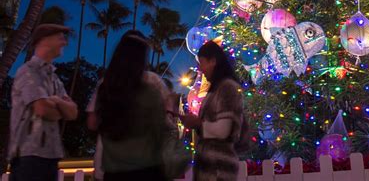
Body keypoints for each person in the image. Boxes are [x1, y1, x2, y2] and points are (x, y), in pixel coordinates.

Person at [87, 30, 187, 180]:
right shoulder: (151, 87)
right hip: (147, 169)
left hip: (112, 169)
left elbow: (92, 123)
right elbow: (163, 127)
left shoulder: (105, 87)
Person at [8, 23, 78, 181]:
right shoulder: (28, 71)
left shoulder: (53, 77)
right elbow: (43, 109)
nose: (64, 42)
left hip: (50, 155)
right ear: (45, 40)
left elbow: (73, 113)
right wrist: (60, 105)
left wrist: (54, 101)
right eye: (60, 38)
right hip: (28, 156)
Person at [180, 41, 244, 181]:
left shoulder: (228, 88)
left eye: (202, 63)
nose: (201, 70)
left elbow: (224, 130)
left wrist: (198, 124)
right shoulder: (215, 90)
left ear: (213, 61)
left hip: (218, 170)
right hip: (209, 169)